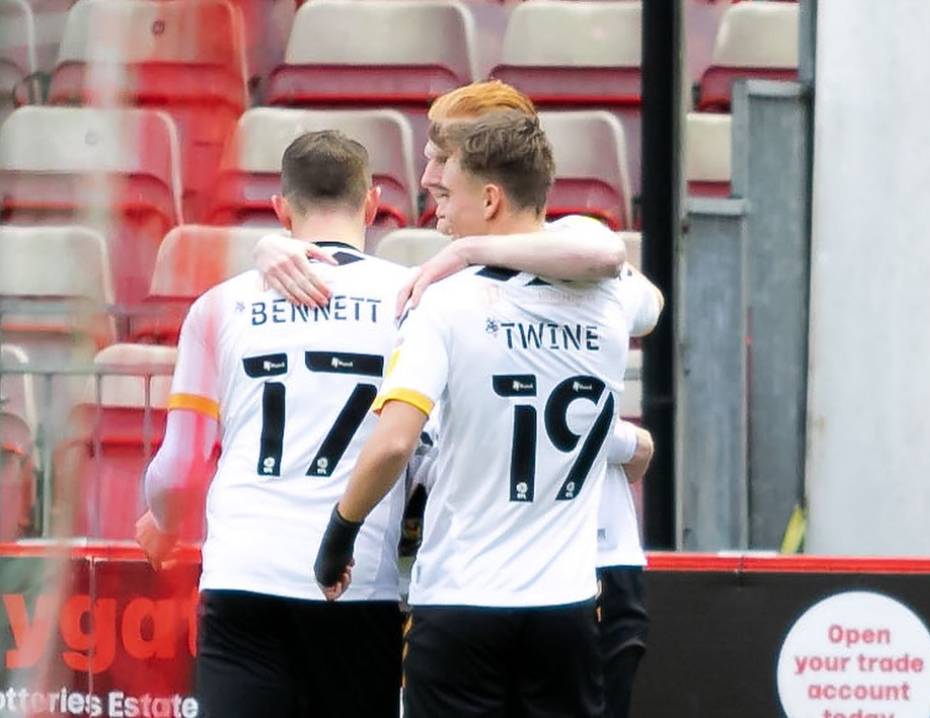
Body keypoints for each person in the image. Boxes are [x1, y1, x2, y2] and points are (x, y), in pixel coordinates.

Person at [261, 79, 661, 717]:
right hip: (565, 606)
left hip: (463, 602)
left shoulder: (445, 300)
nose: (430, 190)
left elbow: (394, 440)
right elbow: (633, 283)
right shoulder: (610, 294)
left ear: (491, 196)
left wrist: (340, 532)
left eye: (445, 184)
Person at [135, 130, 410, 718]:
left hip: (246, 575)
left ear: (280, 209)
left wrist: (163, 521)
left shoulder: (218, 306)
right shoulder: (412, 300)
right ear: (372, 203)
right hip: (357, 583)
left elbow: (181, 469)